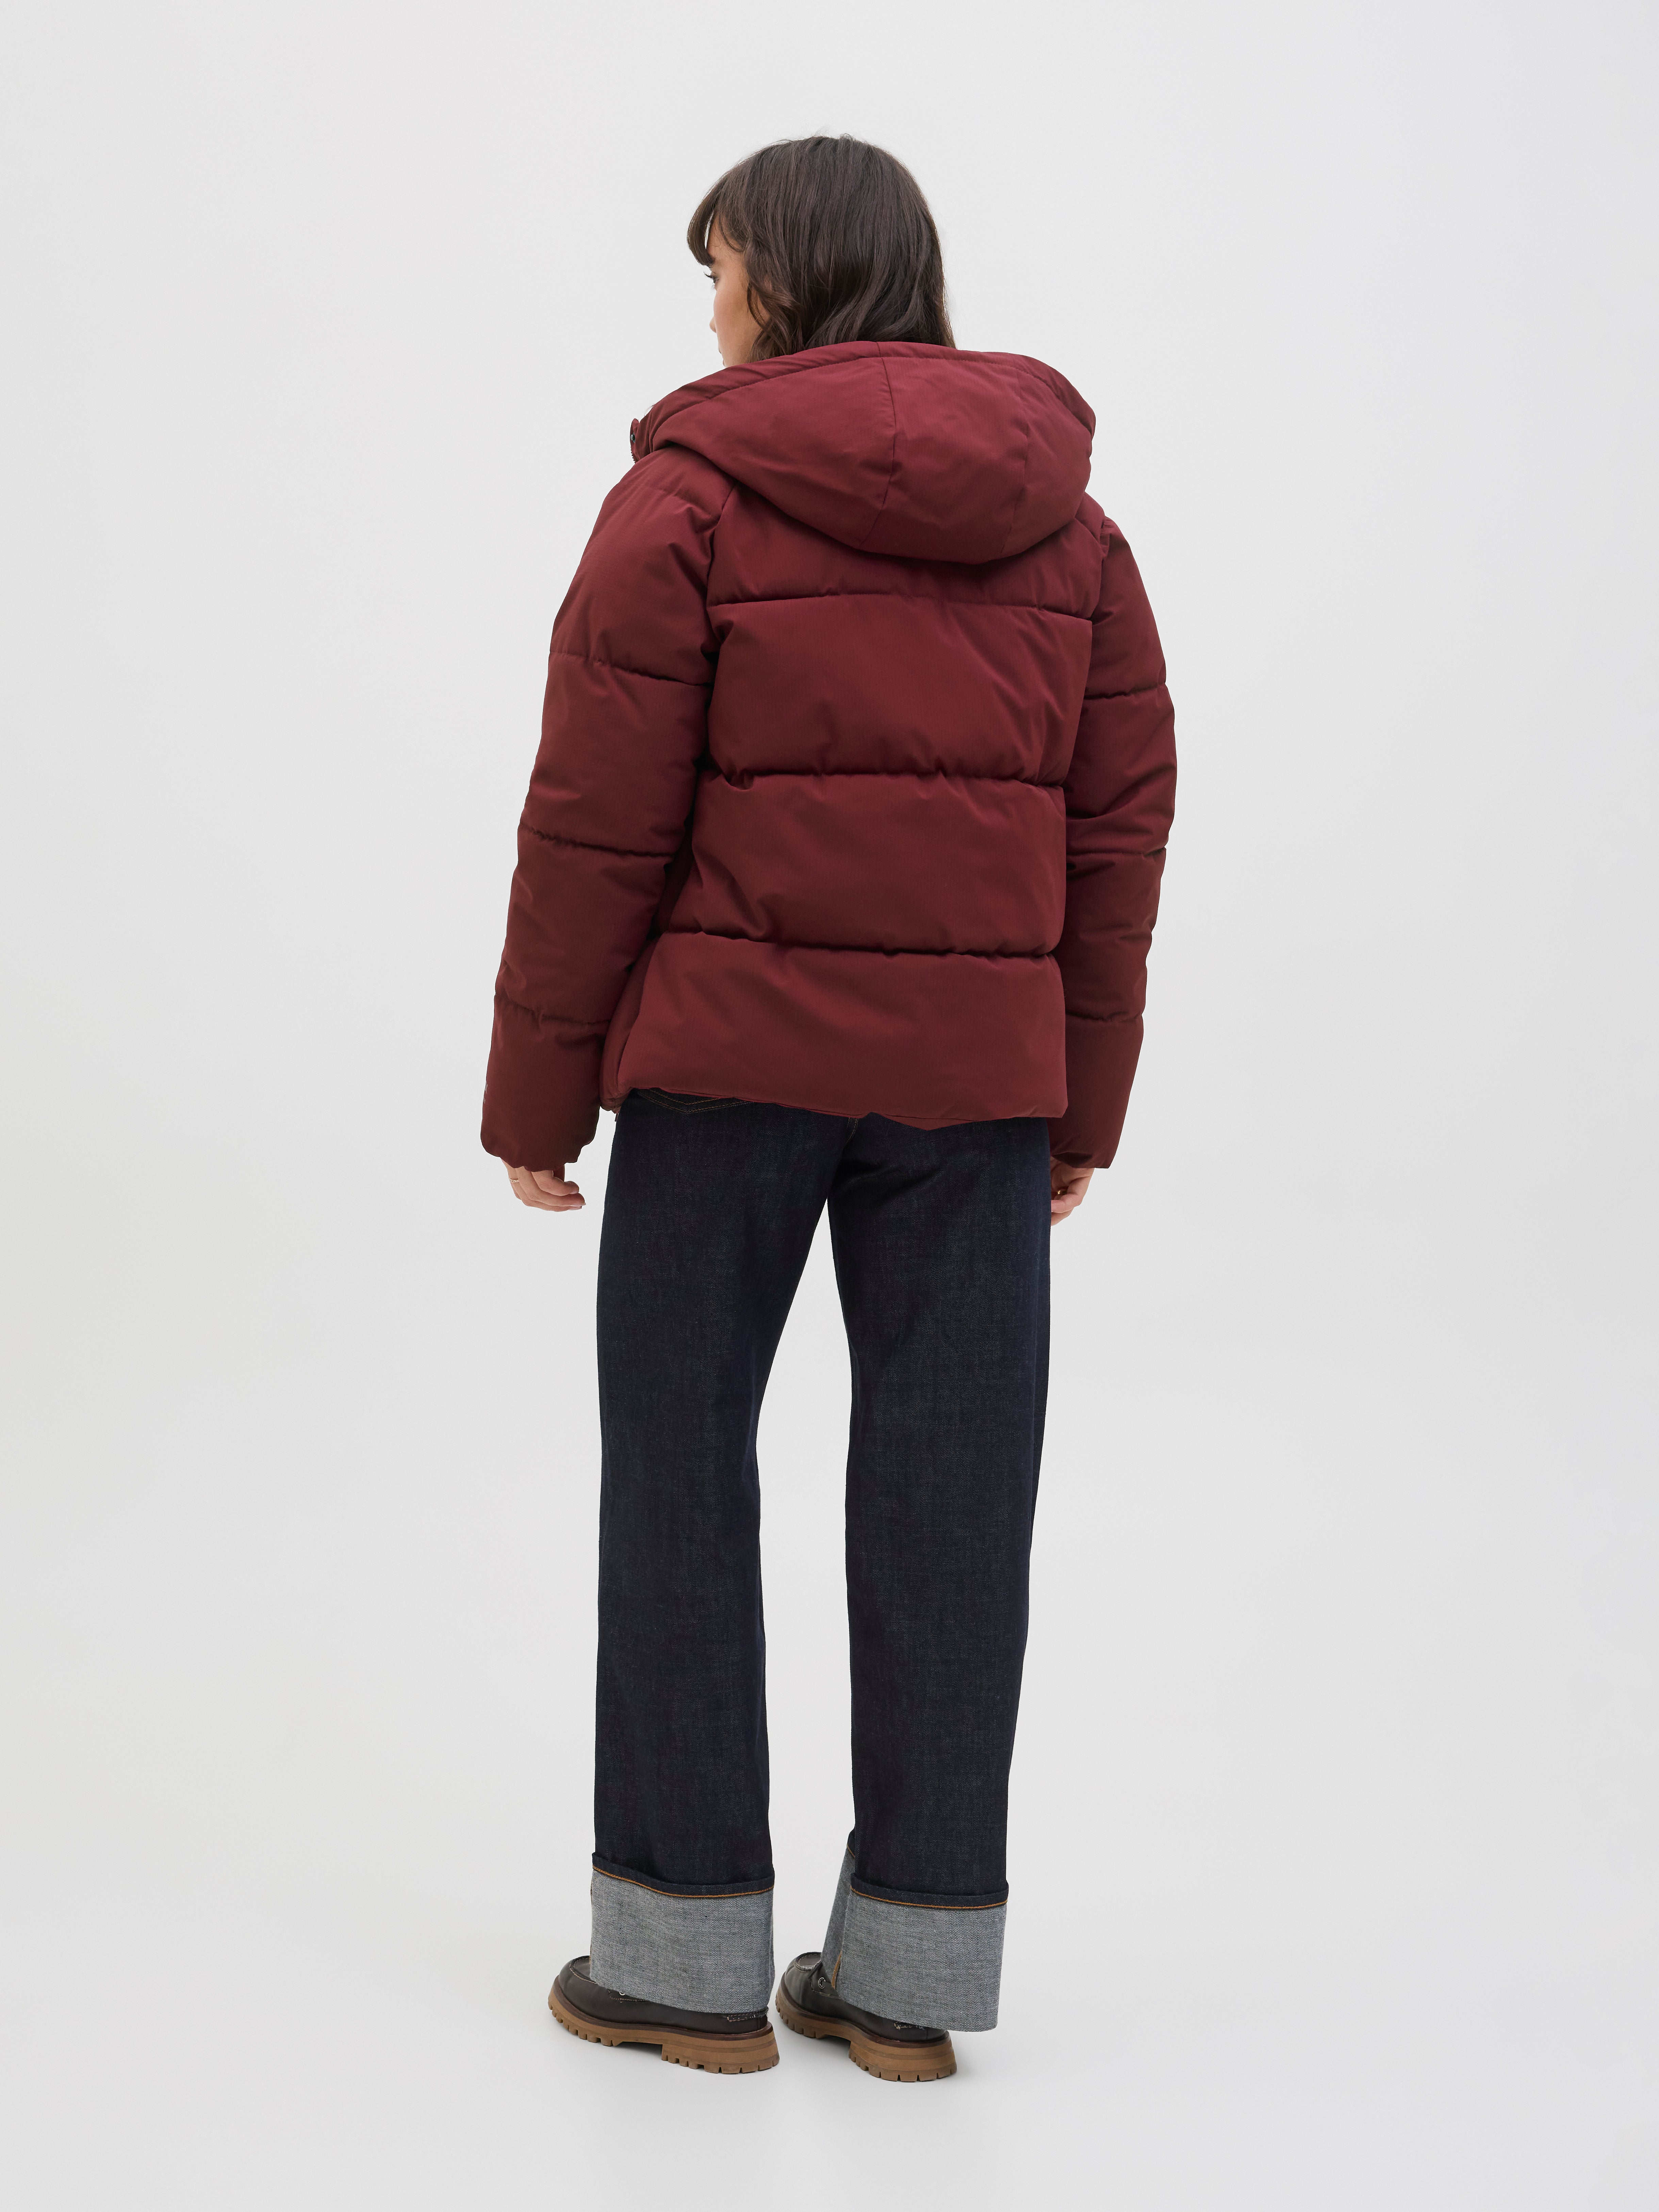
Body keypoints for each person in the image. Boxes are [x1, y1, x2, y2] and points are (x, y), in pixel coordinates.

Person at [481, 134, 1176, 2082]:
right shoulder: (1075, 534)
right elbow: (1116, 840)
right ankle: (909, 1982)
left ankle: (682, 1961)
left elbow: (595, 819)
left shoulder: (688, 499)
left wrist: (540, 1093)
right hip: (971, 1094)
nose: (709, 315)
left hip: (723, 1071)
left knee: (680, 1469)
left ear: (782, 279)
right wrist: (1079, 1105)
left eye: (718, 274)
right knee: (959, 1498)